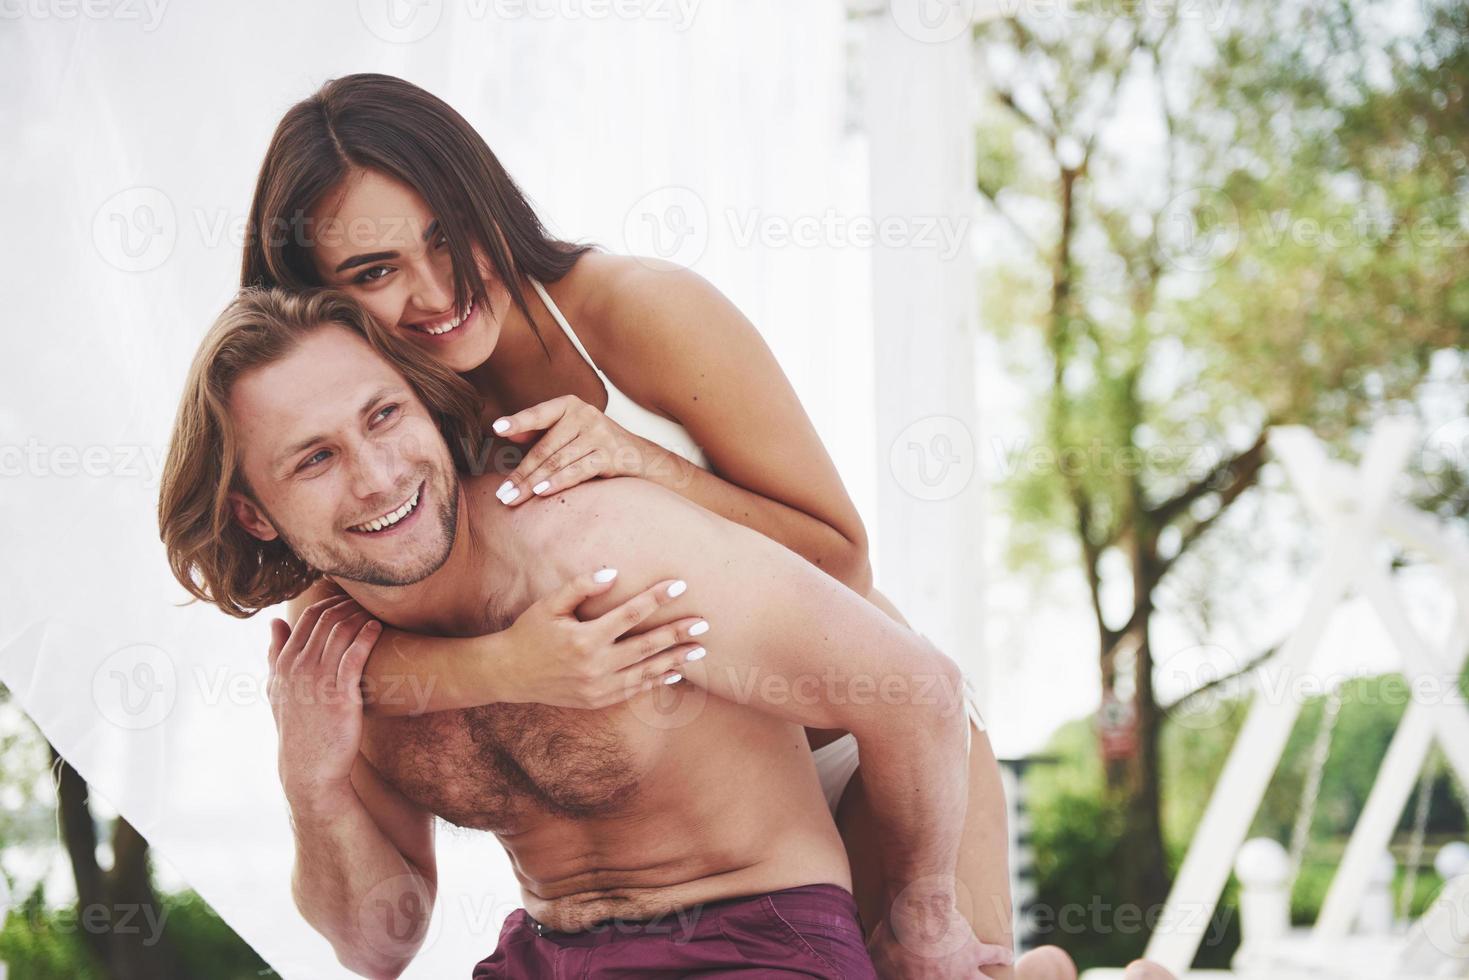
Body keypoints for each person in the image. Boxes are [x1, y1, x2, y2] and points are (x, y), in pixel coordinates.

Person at [241, 71, 1010, 961]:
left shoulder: (633, 308)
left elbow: (842, 560)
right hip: (683, 806)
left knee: (946, 958)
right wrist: (510, 666)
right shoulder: (375, 441)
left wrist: (644, 464)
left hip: (865, 739)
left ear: (486, 199)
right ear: (316, 298)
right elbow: (342, 668)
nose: (434, 291)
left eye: (447, 236)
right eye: (375, 271)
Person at [158, 287, 1013, 978]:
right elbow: (379, 947)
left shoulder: (593, 540)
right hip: (540, 955)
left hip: (756, 942)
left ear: (426, 405)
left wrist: (921, 920)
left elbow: (916, 691)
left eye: (384, 416)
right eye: (314, 459)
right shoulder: (337, 662)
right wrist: (310, 782)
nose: (378, 477)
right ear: (253, 514)